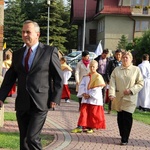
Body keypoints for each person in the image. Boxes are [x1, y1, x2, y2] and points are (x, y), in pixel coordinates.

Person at [0, 20, 63, 150]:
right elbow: (9, 78)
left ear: (37, 34)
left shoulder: (49, 52)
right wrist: (1, 97)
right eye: (23, 32)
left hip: (40, 103)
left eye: (28, 32)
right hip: (22, 102)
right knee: (23, 141)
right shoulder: (17, 54)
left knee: (32, 138)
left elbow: (58, 77)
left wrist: (55, 98)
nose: (25, 35)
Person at [109, 51, 143, 145]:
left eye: (127, 57)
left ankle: (125, 138)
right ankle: (122, 134)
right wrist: (111, 94)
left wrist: (131, 90)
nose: (124, 59)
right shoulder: (116, 70)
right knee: (120, 118)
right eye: (123, 57)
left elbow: (140, 83)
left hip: (130, 97)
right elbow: (112, 83)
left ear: (131, 59)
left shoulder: (136, 70)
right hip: (119, 97)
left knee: (127, 117)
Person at [71, 60, 106, 133]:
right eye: (90, 66)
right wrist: (83, 93)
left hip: (93, 99)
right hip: (86, 98)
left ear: (96, 67)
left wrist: (90, 95)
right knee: (84, 112)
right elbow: (82, 85)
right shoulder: (86, 76)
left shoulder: (98, 77)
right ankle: (80, 126)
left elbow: (98, 88)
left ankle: (91, 127)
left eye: (93, 66)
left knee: (93, 113)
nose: (92, 68)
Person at [105, 49, 122, 114]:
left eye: (119, 54)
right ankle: (110, 109)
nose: (118, 56)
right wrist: (108, 80)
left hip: (120, 81)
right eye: (117, 54)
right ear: (115, 55)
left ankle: (119, 108)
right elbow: (107, 71)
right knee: (111, 95)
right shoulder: (111, 62)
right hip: (112, 81)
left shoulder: (123, 62)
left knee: (120, 95)